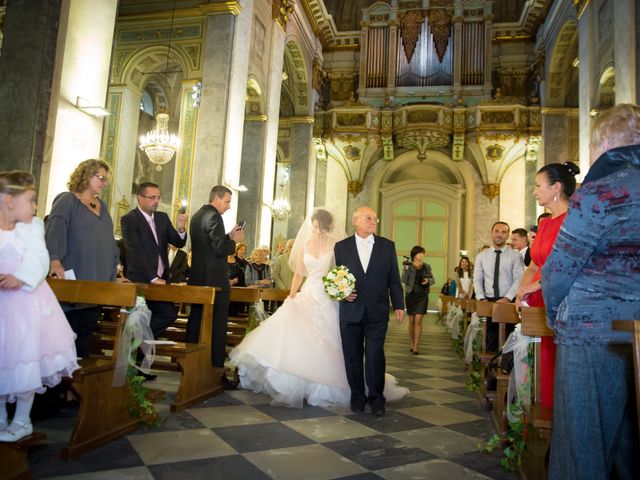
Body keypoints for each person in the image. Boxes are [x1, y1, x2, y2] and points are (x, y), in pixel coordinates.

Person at [542, 104, 640, 478]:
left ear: (603, 143)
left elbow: (559, 271)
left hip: (590, 334)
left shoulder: (599, 191)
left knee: (583, 450)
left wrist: (555, 319)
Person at [229, 208, 407, 409]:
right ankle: (315, 386)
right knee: (304, 340)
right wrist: (292, 294)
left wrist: (341, 290)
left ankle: (368, 394)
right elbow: (299, 273)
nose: (317, 232)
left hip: (329, 296)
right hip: (308, 293)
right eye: (314, 228)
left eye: (321, 228)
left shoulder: (337, 245)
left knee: (339, 344)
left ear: (328, 227)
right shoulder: (308, 245)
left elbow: (341, 272)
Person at [0, 171, 79, 442]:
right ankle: (0, 416)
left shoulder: (33, 226)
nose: (35, 207)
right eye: (31, 200)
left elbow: (39, 257)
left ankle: (22, 420)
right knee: (3, 360)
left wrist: (19, 277)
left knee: (24, 360)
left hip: (26, 302)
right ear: (9, 201)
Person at [515, 162, 579, 409]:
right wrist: (522, 291)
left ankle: (556, 419)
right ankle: (540, 414)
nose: (534, 191)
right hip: (538, 299)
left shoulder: (571, 221)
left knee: (555, 363)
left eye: (538, 186)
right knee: (539, 362)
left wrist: (535, 286)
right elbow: (533, 265)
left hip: (560, 299)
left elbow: (566, 265)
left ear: (556, 187)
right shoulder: (544, 223)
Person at [335, 206, 406, 416]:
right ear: (355, 220)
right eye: (368, 218)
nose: (373, 221)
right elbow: (337, 276)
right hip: (351, 310)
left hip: (378, 310)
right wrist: (342, 292)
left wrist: (399, 304)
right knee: (352, 356)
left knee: (375, 355)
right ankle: (357, 396)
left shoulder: (387, 246)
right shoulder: (341, 247)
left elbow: (394, 278)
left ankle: (377, 398)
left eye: (375, 218)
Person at [45, 159, 120, 357]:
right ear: (86, 175)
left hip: (98, 281)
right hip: (74, 275)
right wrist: (54, 260)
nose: (104, 183)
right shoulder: (67, 200)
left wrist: (115, 268)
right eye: (101, 178)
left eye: (106, 180)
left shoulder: (102, 207)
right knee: (66, 335)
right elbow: (55, 231)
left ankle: (78, 382)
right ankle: (60, 384)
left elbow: (109, 241)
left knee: (86, 334)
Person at [186, 185, 244, 388]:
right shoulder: (214, 217)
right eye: (227, 201)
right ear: (216, 198)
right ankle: (217, 373)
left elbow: (210, 246)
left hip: (198, 280)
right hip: (215, 283)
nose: (228, 207)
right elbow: (219, 249)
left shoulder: (197, 215)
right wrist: (233, 242)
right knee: (217, 327)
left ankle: (191, 367)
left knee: (196, 322)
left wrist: (227, 236)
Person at [120, 182, 188, 338]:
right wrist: (152, 277)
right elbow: (134, 252)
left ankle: (137, 342)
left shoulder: (162, 218)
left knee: (169, 314)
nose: (156, 201)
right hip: (141, 279)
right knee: (142, 317)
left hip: (162, 279)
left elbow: (178, 242)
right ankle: (136, 346)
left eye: (158, 197)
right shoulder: (130, 220)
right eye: (152, 197)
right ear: (139, 198)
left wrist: (181, 228)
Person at [473, 221, 524, 351]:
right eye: (496, 231)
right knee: (490, 338)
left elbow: (519, 279)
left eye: (503, 232)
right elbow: (477, 279)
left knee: (508, 339)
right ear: (491, 233)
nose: (499, 235)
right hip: (488, 300)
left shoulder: (515, 256)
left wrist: (507, 298)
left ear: (507, 236)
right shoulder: (481, 256)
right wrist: (480, 297)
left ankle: (505, 368)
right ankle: (491, 368)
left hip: (508, 301)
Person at [401, 245, 434, 355]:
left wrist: (427, 281)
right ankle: (411, 341)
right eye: (420, 253)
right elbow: (403, 279)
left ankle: (416, 345)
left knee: (419, 319)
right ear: (414, 255)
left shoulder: (427, 266)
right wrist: (405, 270)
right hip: (410, 295)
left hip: (422, 296)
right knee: (411, 321)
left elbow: (432, 280)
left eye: (423, 253)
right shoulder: (408, 266)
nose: (422, 255)